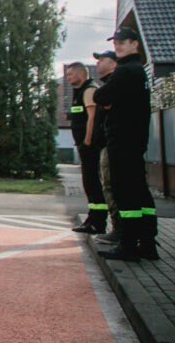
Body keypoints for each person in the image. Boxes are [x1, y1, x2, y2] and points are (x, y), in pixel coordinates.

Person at [94, 27, 158, 261]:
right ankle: (148, 242)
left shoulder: (124, 72)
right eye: (116, 42)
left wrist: (108, 103)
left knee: (125, 193)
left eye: (123, 42)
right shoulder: (140, 72)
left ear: (135, 44)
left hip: (122, 141)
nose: (118, 45)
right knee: (141, 193)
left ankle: (129, 245)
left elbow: (100, 97)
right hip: (136, 140)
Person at [66, 62, 106, 234]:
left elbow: (92, 117)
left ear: (81, 74)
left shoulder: (89, 90)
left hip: (89, 145)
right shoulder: (80, 92)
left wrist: (87, 141)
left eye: (70, 74)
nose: (68, 78)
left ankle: (98, 220)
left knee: (93, 182)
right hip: (84, 144)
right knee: (89, 182)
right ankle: (93, 216)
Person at [91, 50, 122, 245]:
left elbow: (99, 99)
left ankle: (119, 228)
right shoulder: (109, 84)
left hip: (112, 144)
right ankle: (118, 227)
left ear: (113, 64)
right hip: (107, 144)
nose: (98, 63)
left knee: (111, 186)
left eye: (102, 60)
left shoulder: (114, 84)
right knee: (108, 185)